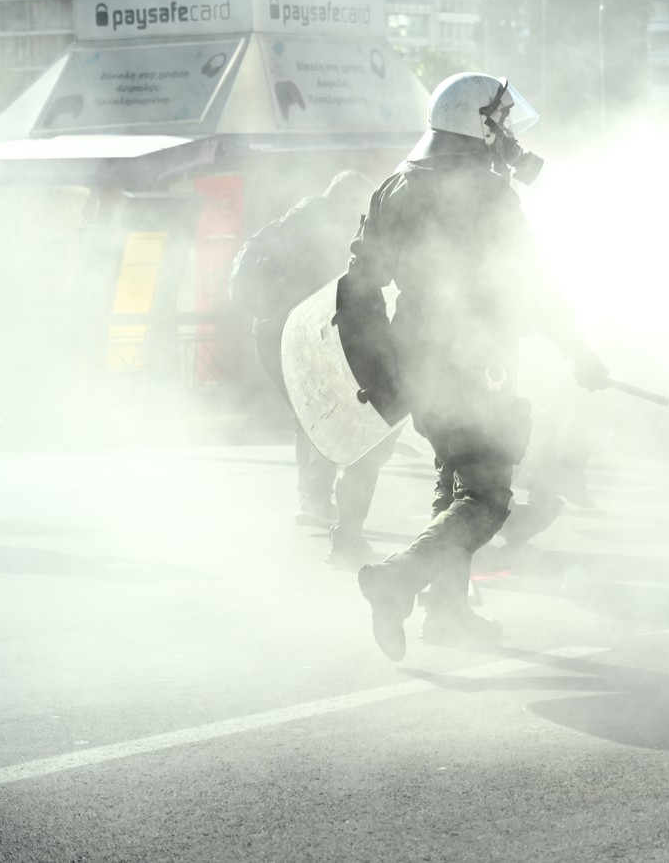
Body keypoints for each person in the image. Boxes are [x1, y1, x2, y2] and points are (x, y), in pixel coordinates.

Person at [342, 73, 608, 660]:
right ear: (477, 122)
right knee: (487, 496)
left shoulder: (395, 186)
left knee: (453, 479)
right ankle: (397, 580)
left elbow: (361, 283)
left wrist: (387, 366)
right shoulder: (489, 195)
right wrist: (580, 353)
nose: (508, 135)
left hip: (419, 360)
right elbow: (530, 286)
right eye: (501, 122)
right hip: (476, 358)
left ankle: (448, 613)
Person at [230, 171, 396, 565]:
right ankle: (315, 499)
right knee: (322, 411)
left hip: (271, 332)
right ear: (346, 200)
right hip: (295, 333)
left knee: (311, 411)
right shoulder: (324, 230)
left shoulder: (294, 220)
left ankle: (313, 497)